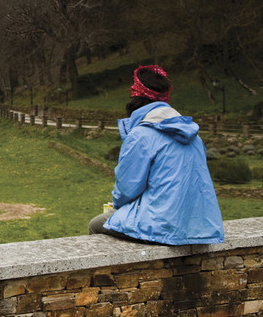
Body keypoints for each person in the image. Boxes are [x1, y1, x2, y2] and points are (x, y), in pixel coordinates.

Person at [88, 65, 224, 245]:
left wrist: (118, 207)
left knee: (96, 224)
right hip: (199, 226)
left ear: (136, 99)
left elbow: (127, 188)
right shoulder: (194, 136)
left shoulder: (141, 135)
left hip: (162, 225)